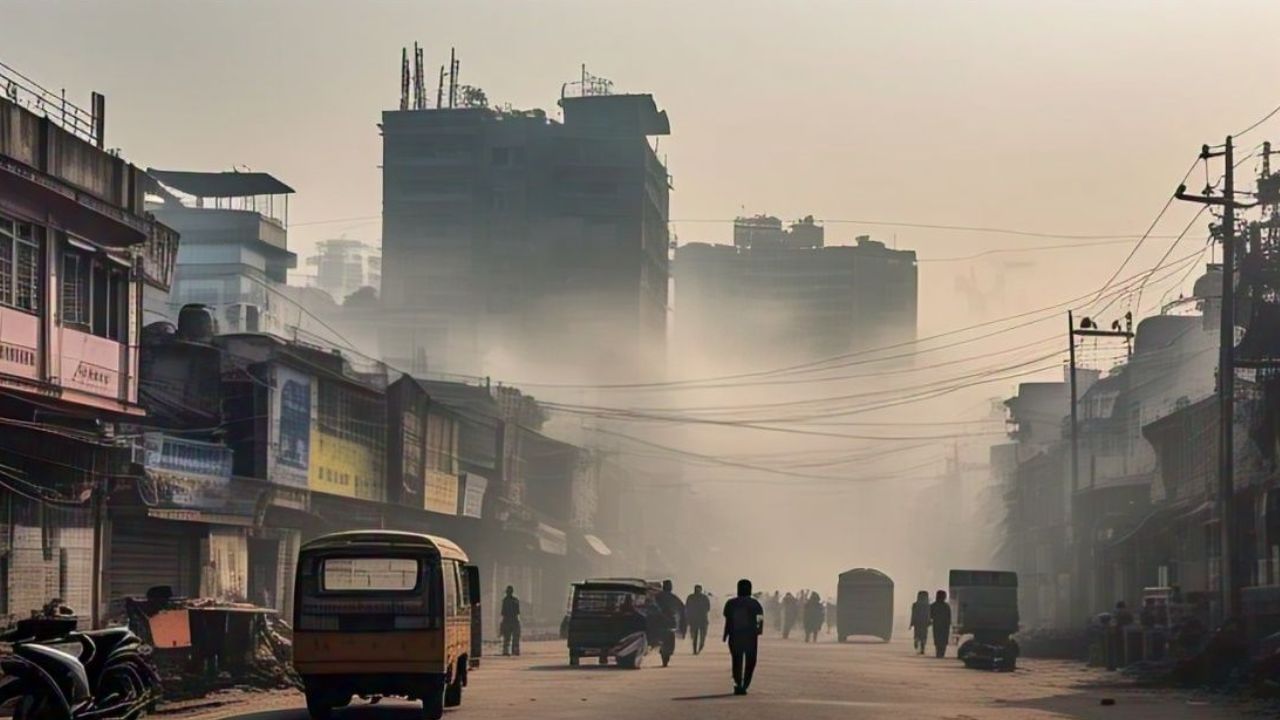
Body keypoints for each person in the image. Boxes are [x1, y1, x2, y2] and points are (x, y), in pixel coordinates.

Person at [724, 578, 764, 696]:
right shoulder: (755, 603)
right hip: (750, 636)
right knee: (750, 660)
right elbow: (760, 619)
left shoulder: (731, 603)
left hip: (735, 635)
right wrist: (758, 631)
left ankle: (738, 683)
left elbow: (728, 620)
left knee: (737, 660)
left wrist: (725, 634)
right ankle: (745, 684)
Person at [655, 579, 686, 667]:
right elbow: (682, 609)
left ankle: (664, 656)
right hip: (668, 623)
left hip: (661, 622)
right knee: (668, 642)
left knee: (664, 641)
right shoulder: (672, 597)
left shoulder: (658, 596)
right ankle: (665, 657)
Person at [685, 584, 712, 655]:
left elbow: (708, 608)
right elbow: (687, 608)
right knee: (695, 637)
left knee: (701, 637)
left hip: (701, 620)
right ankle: (696, 650)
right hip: (696, 620)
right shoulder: (692, 597)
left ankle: (699, 649)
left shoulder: (702, 598)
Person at [500, 585, 521, 656]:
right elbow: (518, 612)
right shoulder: (515, 600)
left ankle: (506, 651)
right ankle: (515, 650)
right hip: (514, 620)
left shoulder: (505, 601)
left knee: (507, 637)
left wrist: (502, 623)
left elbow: (503, 613)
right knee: (515, 637)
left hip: (507, 620)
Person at [930, 590, 951, 658]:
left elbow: (930, 615)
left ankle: (938, 652)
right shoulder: (946, 606)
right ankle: (941, 653)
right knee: (943, 640)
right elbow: (949, 616)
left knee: (937, 639)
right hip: (945, 626)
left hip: (937, 625)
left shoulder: (933, 605)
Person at [909, 590, 931, 655]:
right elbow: (928, 615)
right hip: (924, 623)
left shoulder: (915, 604)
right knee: (924, 636)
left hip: (917, 622)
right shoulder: (928, 605)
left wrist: (911, 623)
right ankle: (922, 649)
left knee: (917, 634)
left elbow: (913, 614)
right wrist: (929, 622)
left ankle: (916, 640)